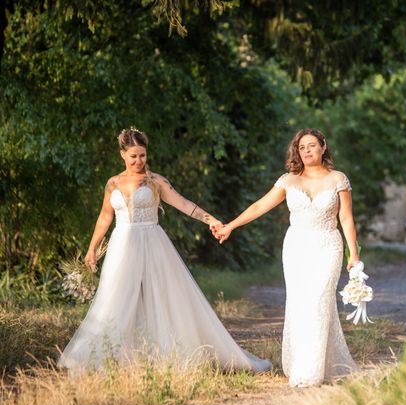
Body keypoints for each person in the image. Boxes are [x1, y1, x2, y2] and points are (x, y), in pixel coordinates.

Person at [58, 128, 271, 373]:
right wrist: (92, 249)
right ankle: (110, 357)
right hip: (121, 245)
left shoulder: (155, 181)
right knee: (114, 296)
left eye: (143, 155)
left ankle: (167, 355)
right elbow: (105, 218)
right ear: (122, 155)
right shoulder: (113, 183)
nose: (139, 161)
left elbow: (183, 204)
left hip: (152, 242)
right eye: (133, 156)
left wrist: (209, 219)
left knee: (161, 295)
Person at [214, 128, 358, 387]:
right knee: (301, 304)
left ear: (323, 147)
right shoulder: (289, 181)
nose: (307, 151)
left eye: (312, 145)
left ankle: (311, 371)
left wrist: (353, 254)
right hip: (297, 247)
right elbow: (259, 206)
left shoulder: (338, 179)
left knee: (320, 301)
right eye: (302, 147)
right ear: (297, 152)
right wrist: (230, 226)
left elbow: (346, 217)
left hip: (327, 245)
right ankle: (303, 363)